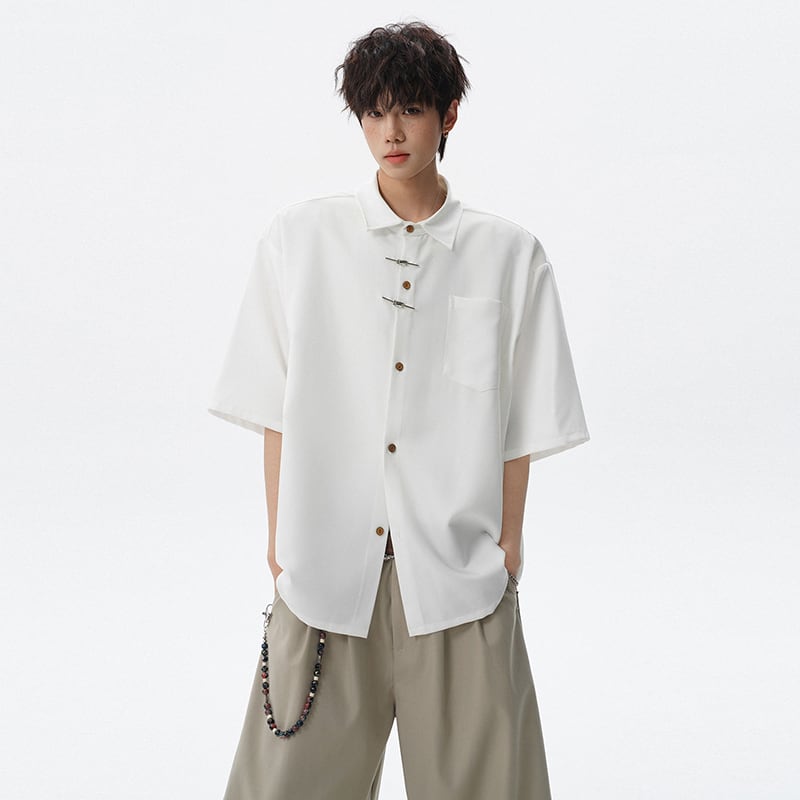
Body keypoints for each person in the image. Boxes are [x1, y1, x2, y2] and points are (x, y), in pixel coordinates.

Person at [207, 20, 590, 800]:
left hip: (458, 582)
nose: (391, 132)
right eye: (375, 112)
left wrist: (507, 549)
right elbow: (273, 405)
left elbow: (522, 419)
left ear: (448, 115)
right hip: (322, 578)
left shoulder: (509, 255)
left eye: (411, 109)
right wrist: (281, 548)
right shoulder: (300, 241)